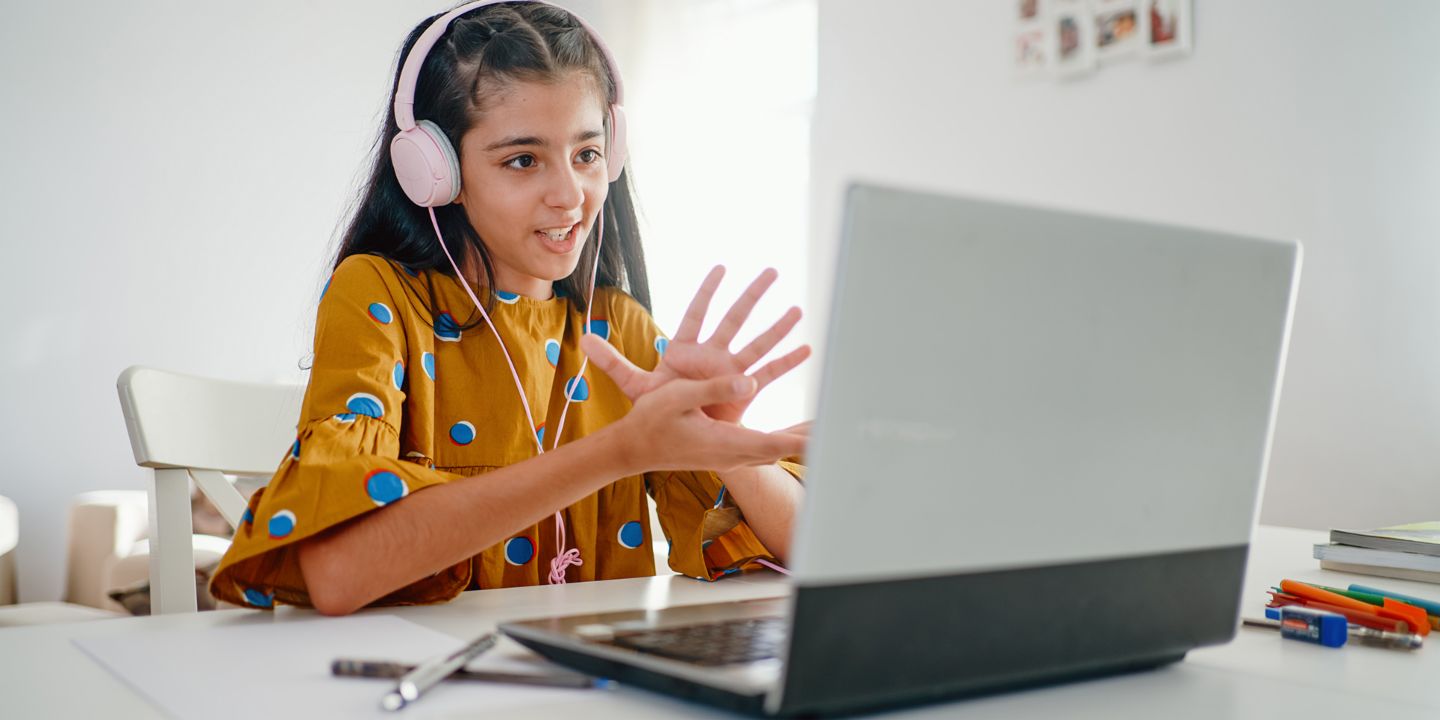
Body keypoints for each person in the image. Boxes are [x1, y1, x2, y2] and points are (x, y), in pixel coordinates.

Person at [208, 1, 811, 617]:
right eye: (522, 160)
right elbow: (336, 573)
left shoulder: (617, 327)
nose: (570, 196)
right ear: (435, 172)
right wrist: (621, 450)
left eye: (587, 154)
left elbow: (811, 553)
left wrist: (731, 445)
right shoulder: (379, 295)